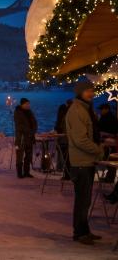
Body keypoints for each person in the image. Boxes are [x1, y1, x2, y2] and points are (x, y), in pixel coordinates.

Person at [66, 79, 104, 246]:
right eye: (88, 90)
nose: (91, 93)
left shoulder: (85, 109)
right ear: (80, 92)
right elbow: (80, 140)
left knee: (85, 200)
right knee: (82, 200)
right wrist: (98, 150)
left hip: (86, 161)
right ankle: (79, 233)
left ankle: (84, 231)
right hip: (81, 161)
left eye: (92, 90)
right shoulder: (77, 111)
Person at [14, 98, 37, 178]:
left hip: (30, 137)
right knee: (20, 155)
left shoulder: (30, 112)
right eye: (26, 104)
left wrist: (33, 130)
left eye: (29, 104)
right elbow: (19, 126)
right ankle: (20, 173)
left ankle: (27, 172)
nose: (28, 105)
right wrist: (28, 130)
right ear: (22, 104)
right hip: (21, 138)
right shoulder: (18, 112)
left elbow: (34, 122)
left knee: (29, 155)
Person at [54, 99, 73, 180]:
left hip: (64, 140)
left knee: (66, 159)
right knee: (68, 159)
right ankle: (67, 174)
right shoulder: (69, 116)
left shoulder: (64, 118)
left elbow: (62, 129)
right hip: (66, 140)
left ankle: (67, 175)